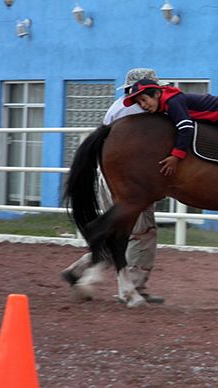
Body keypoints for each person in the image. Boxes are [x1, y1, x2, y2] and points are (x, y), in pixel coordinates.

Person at [61, 68, 164, 304]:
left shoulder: (119, 105)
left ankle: (78, 270)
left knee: (116, 228)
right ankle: (134, 288)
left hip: (107, 176)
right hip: (132, 179)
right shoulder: (140, 109)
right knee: (142, 233)